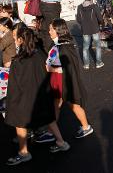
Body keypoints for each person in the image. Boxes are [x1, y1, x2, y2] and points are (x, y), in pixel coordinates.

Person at [5, 27, 69, 166]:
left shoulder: (18, 61)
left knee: (20, 123)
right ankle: (61, 142)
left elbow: (15, 86)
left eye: (16, 37)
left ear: (21, 40)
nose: (14, 39)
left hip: (25, 98)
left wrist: (11, 103)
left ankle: (24, 153)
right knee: (49, 119)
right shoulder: (40, 53)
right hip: (42, 96)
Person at [46, 19, 94, 139]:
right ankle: (51, 131)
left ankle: (86, 127)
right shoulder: (57, 44)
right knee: (56, 104)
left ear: (58, 30)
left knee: (74, 105)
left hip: (65, 81)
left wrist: (52, 69)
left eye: (52, 29)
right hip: (59, 81)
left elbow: (69, 69)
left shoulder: (65, 47)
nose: (49, 31)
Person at [76, 0, 104, 69]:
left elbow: (78, 19)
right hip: (95, 29)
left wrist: (84, 24)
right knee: (98, 46)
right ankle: (98, 63)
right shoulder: (94, 6)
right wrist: (101, 24)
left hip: (85, 30)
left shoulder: (79, 7)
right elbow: (100, 18)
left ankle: (86, 64)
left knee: (85, 47)